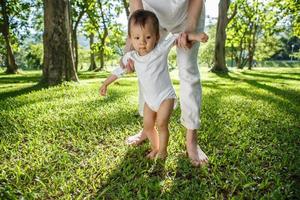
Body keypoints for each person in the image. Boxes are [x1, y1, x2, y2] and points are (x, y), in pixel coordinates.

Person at [99, 10, 208, 160]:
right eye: (137, 38)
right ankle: (155, 148)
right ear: (130, 39)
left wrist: (196, 36)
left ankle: (163, 151)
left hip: (165, 97)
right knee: (148, 126)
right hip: (149, 101)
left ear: (157, 37)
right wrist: (105, 84)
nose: (142, 42)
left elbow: (178, 37)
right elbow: (118, 71)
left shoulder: (160, 50)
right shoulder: (132, 57)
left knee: (161, 124)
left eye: (148, 37)